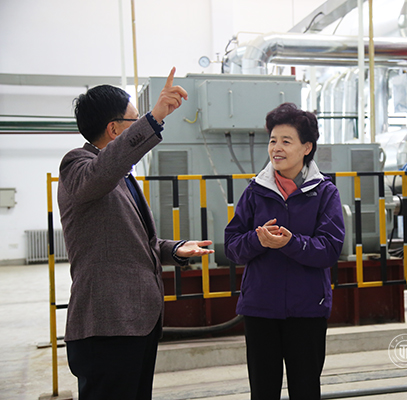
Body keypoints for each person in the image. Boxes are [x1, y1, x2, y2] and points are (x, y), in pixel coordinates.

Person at [58, 68, 214, 400]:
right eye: (135, 120)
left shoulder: (123, 178)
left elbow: (137, 244)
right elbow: (103, 170)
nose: (141, 124)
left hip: (136, 322)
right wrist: (154, 117)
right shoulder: (77, 166)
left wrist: (175, 249)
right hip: (106, 325)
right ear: (114, 129)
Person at [224, 103, 345, 400]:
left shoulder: (324, 192)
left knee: (305, 389)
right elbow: (232, 246)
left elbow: (330, 249)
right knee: (263, 391)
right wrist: (259, 240)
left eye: (286, 141)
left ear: (307, 147)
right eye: (272, 141)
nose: (276, 148)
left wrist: (291, 243)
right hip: (260, 309)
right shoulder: (255, 191)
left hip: (307, 309)